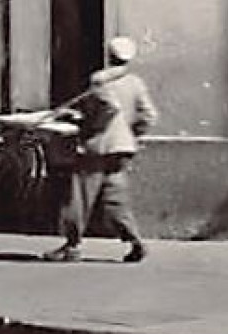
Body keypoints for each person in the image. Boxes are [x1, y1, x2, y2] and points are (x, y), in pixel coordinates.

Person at [42, 36, 158, 265]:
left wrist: (90, 126)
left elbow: (109, 107)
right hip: (122, 148)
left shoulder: (99, 80)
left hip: (99, 147)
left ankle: (72, 246)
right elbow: (148, 116)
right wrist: (131, 134)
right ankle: (136, 242)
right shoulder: (135, 82)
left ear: (108, 55)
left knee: (79, 196)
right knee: (115, 197)